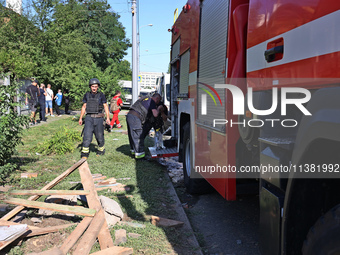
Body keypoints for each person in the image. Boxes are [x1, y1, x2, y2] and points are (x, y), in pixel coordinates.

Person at [79, 78, 111, 158]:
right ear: (90, 86)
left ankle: (101, 149)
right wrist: (80, 118)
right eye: (93, 86)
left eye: (96, 86)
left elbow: (105, 106)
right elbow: (84, 106)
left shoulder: (101, 95)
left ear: (98, 87)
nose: (94, 88)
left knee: (99, 136)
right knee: (87, 135)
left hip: (99, 118)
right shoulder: (86, 95)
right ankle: (85, 153)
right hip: (89, 118)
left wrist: (108, 118)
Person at [126, 93, 163, 159]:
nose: (157, 103)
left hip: (130, 116)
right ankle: (140, 156)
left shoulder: (144, 98)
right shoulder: (152, 101)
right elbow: (155, 114)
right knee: (138, 135)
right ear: (157, 99)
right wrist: (159, 108)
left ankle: (134, 151)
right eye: (158, 101)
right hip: (135, 117)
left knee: (132, 135)